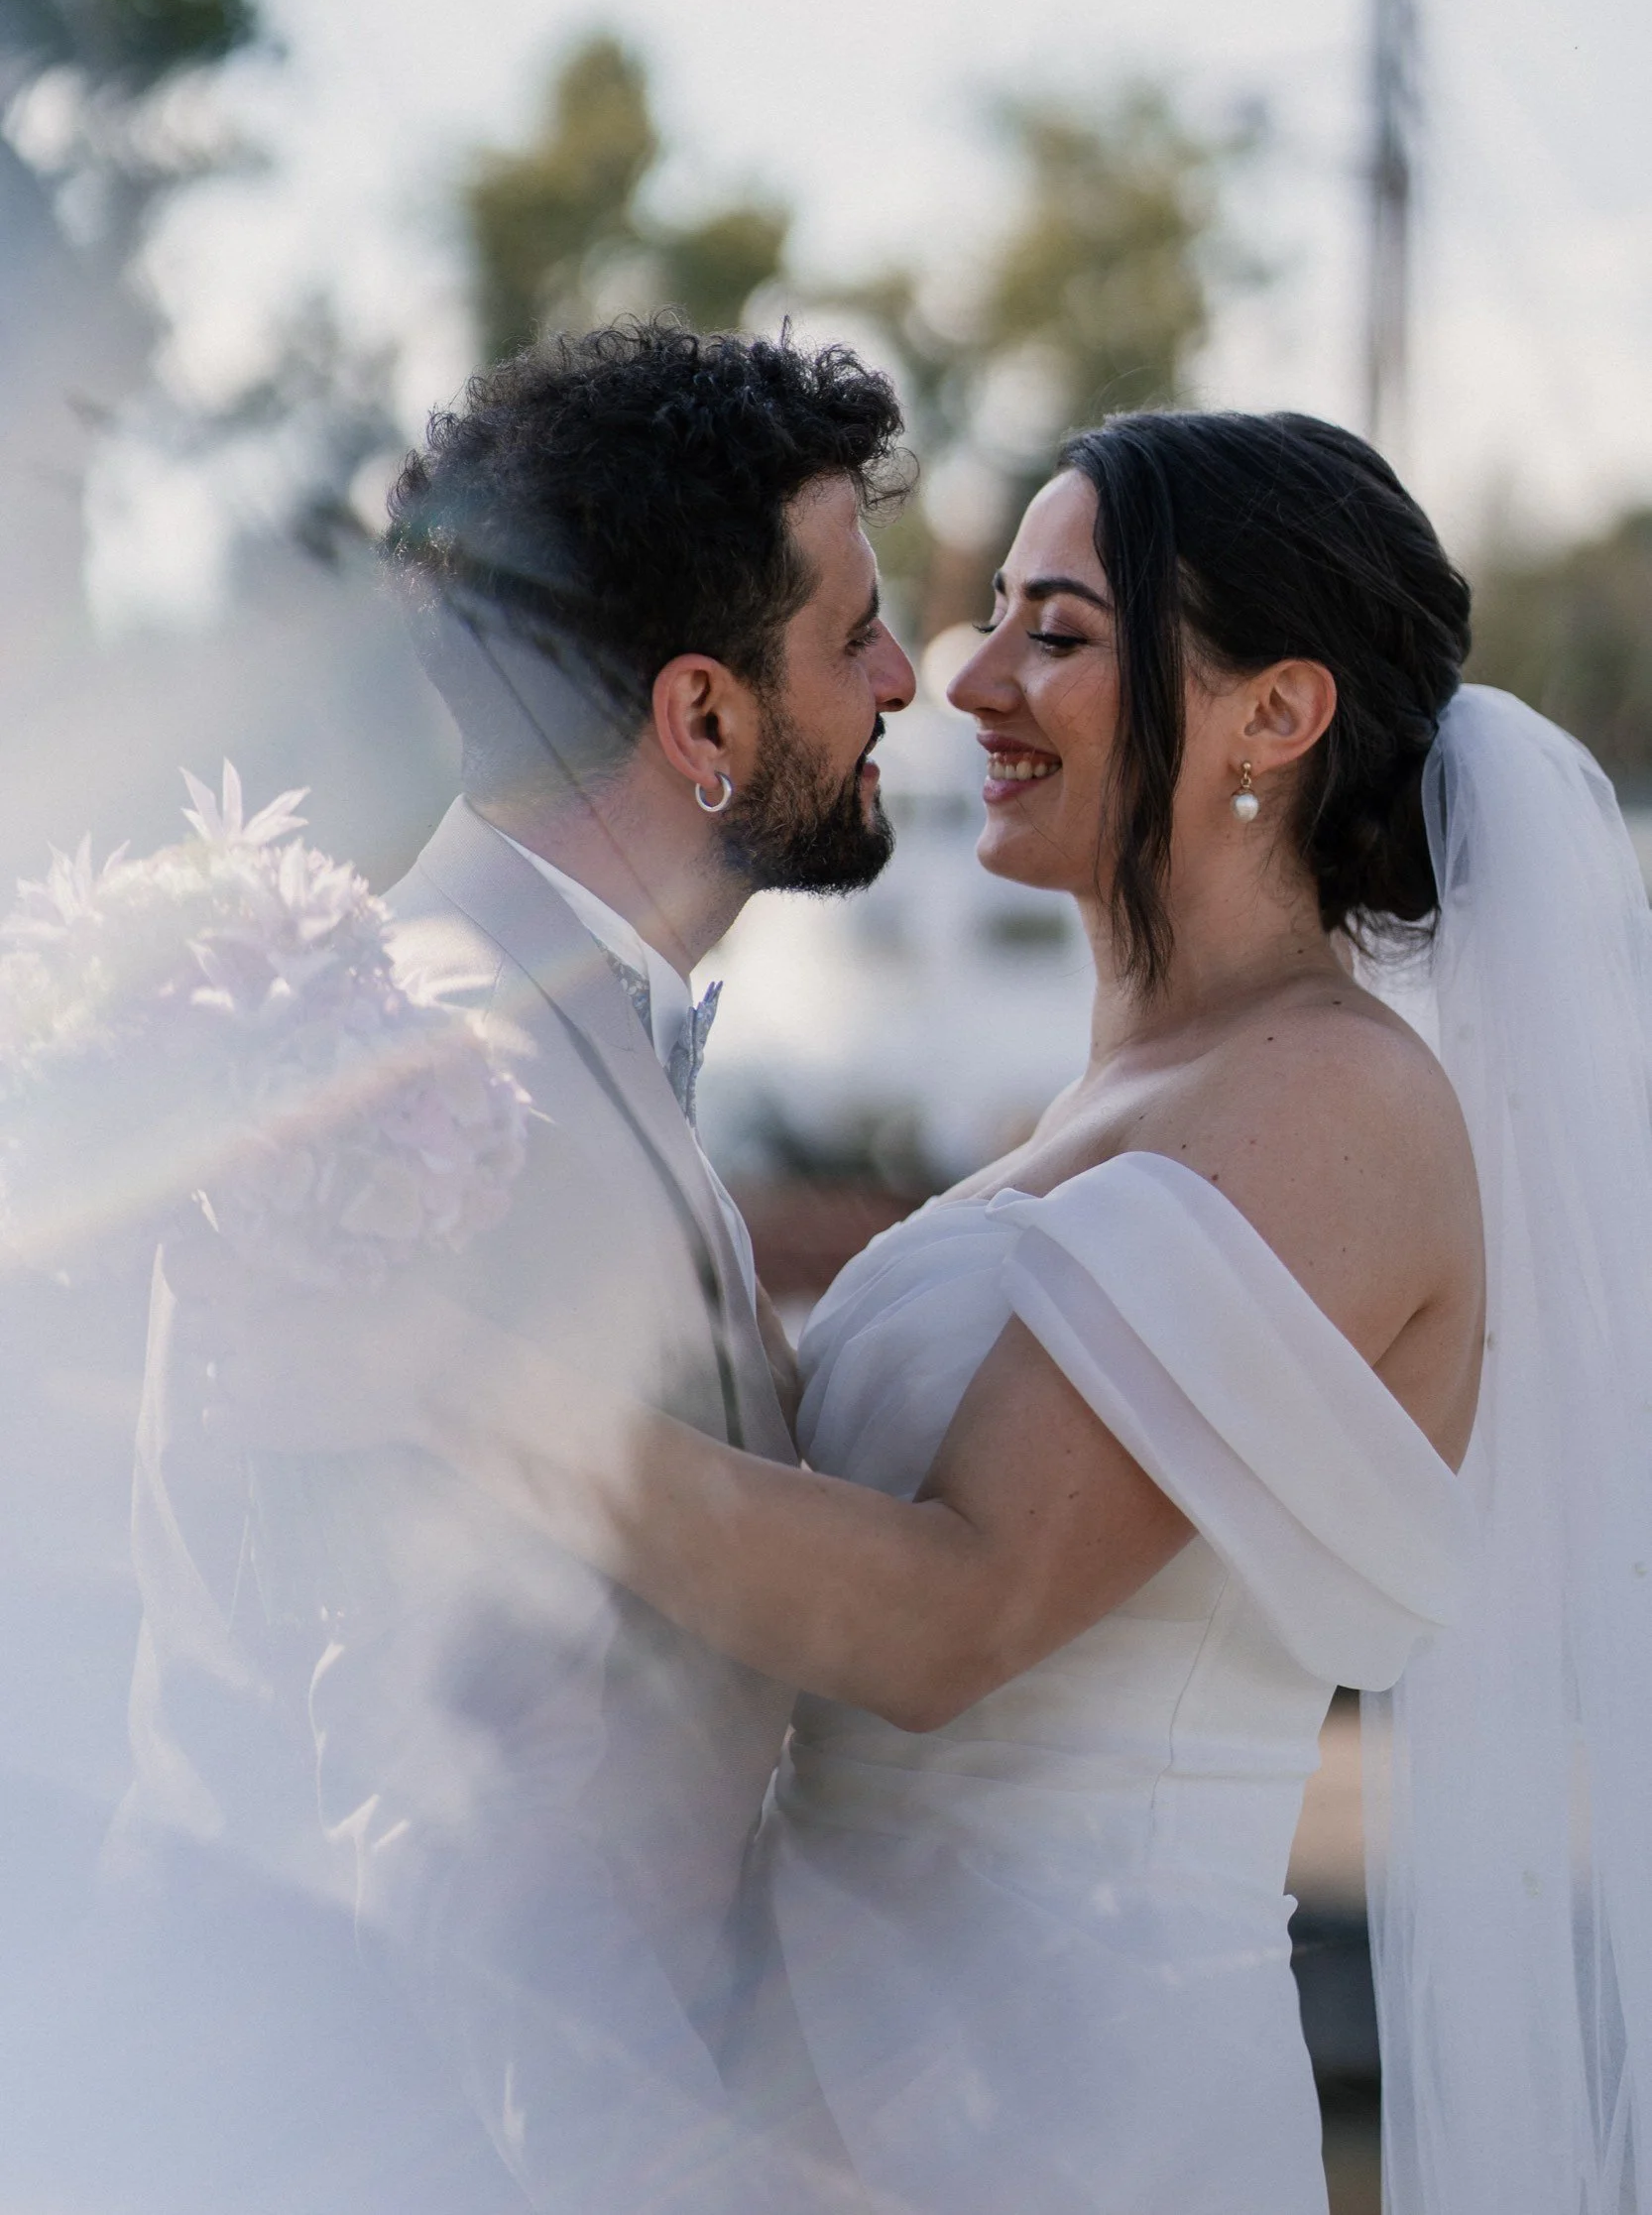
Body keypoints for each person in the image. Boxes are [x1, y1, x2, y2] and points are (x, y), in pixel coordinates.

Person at [418, 407, 1652, 2213]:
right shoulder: (1087, 1121)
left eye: (1057, 633)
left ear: (1274, 716)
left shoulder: (1329, 1102)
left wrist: (446, 1390)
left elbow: (948, 1615)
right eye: (994, 613)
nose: (965, 678)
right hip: (824, 2072)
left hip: (1059, 2105)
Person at [100, 321, 917, 2215]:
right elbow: (444, 1805)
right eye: (849, 632)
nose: (901, 676)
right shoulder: (456, 1105)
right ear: (700, 720)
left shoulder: (519, 1032)